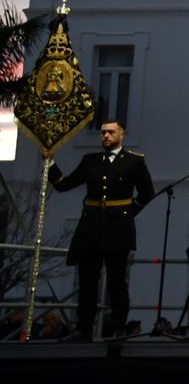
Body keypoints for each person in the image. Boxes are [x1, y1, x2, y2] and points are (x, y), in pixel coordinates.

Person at [47, 121, 156, 341]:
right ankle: (84, 328)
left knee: (117, 280)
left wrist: (127, 213)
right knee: (88, 280)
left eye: (111, 132)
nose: (105, 136)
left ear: (122, 135)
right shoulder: (90, 161)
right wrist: (49, 163)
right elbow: (63, 184)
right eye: (103, 132)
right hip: (92, 226)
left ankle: (117, 327)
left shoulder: (134, 161)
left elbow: (147, 192)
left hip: (118, 228)